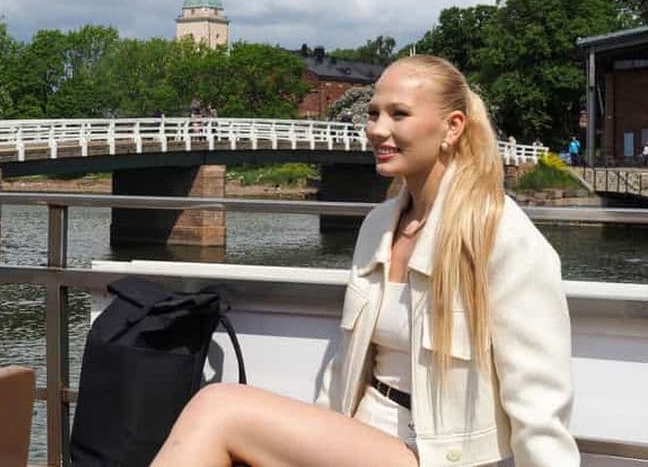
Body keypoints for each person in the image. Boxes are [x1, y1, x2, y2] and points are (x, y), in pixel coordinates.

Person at [151, 55, 578, 467]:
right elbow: (344, 367)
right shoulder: (378, 226)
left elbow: (538, 401)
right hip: (361, 435)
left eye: (399, 114)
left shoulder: (500, 234)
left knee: (219, 407)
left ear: (452, 127)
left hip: (432, 453)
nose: (377, 129)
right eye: (373, 114)